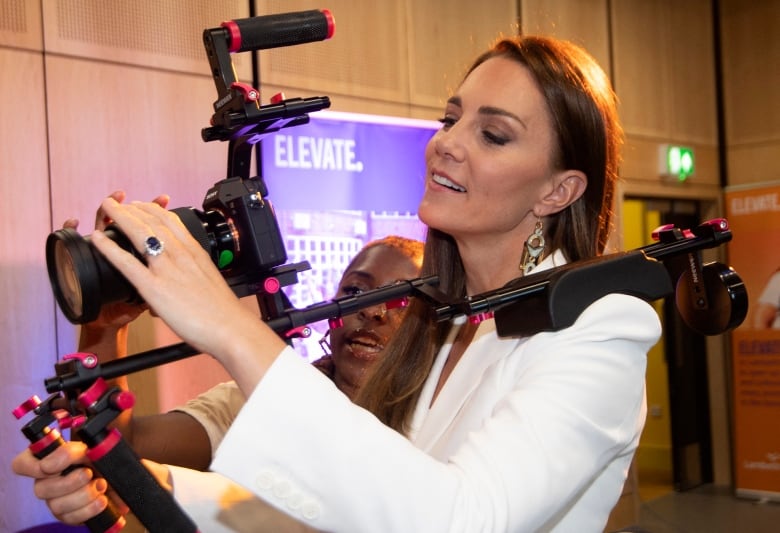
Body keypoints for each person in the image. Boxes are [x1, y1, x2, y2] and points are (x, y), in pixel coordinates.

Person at [15, 34, 662, 532]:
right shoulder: (451, 320)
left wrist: (229, 325)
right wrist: (136, 480)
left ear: (559, 189)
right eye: (451, 118)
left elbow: (460, 517)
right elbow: (351, 502)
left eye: (492, 134)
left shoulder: (604, 329)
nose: (447, 144)